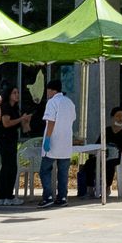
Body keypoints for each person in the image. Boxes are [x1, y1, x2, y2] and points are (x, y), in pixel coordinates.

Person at [38, 79, 76, 208]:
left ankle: (48, 196)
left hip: (53, 141)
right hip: (66, 143)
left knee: (44, 170)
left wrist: (47, 139)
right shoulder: (69, 102)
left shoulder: (52, 102)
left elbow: (51, 122)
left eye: (47, 90)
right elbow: (73, 119)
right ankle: (62, 197)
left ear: (51, 90)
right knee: (63, 172)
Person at [0, 84, 30, 207]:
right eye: (14, 93)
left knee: (10, 168)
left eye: (18, 93)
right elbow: (6, 123)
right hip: (4, 140)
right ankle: (4, 196)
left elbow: (25, 129)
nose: (17, 95)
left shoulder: (16, 108)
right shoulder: (5, 107)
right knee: (7, 167)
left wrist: (26, 121)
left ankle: (7, 195)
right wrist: (21, 119)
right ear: (9, 95)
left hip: (12, 140)